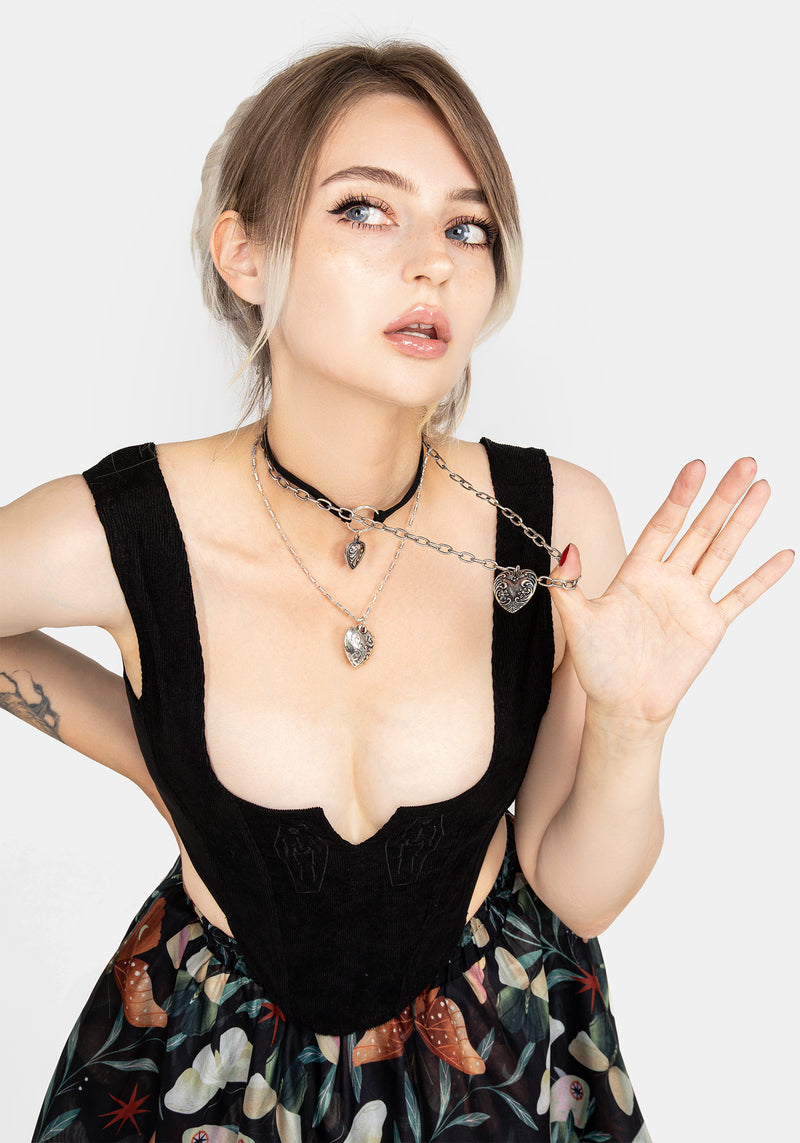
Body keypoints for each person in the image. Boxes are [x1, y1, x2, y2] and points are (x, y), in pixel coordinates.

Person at [0, 41, 792, 1143]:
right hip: (203, 1073)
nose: (433, 266)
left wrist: (630, 724)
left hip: (492, 1072)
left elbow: (577, 891)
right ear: (245, 252)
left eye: (468, 227)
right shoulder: (127, 524)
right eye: (365, 210)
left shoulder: (550, 521)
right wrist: (150, 749)